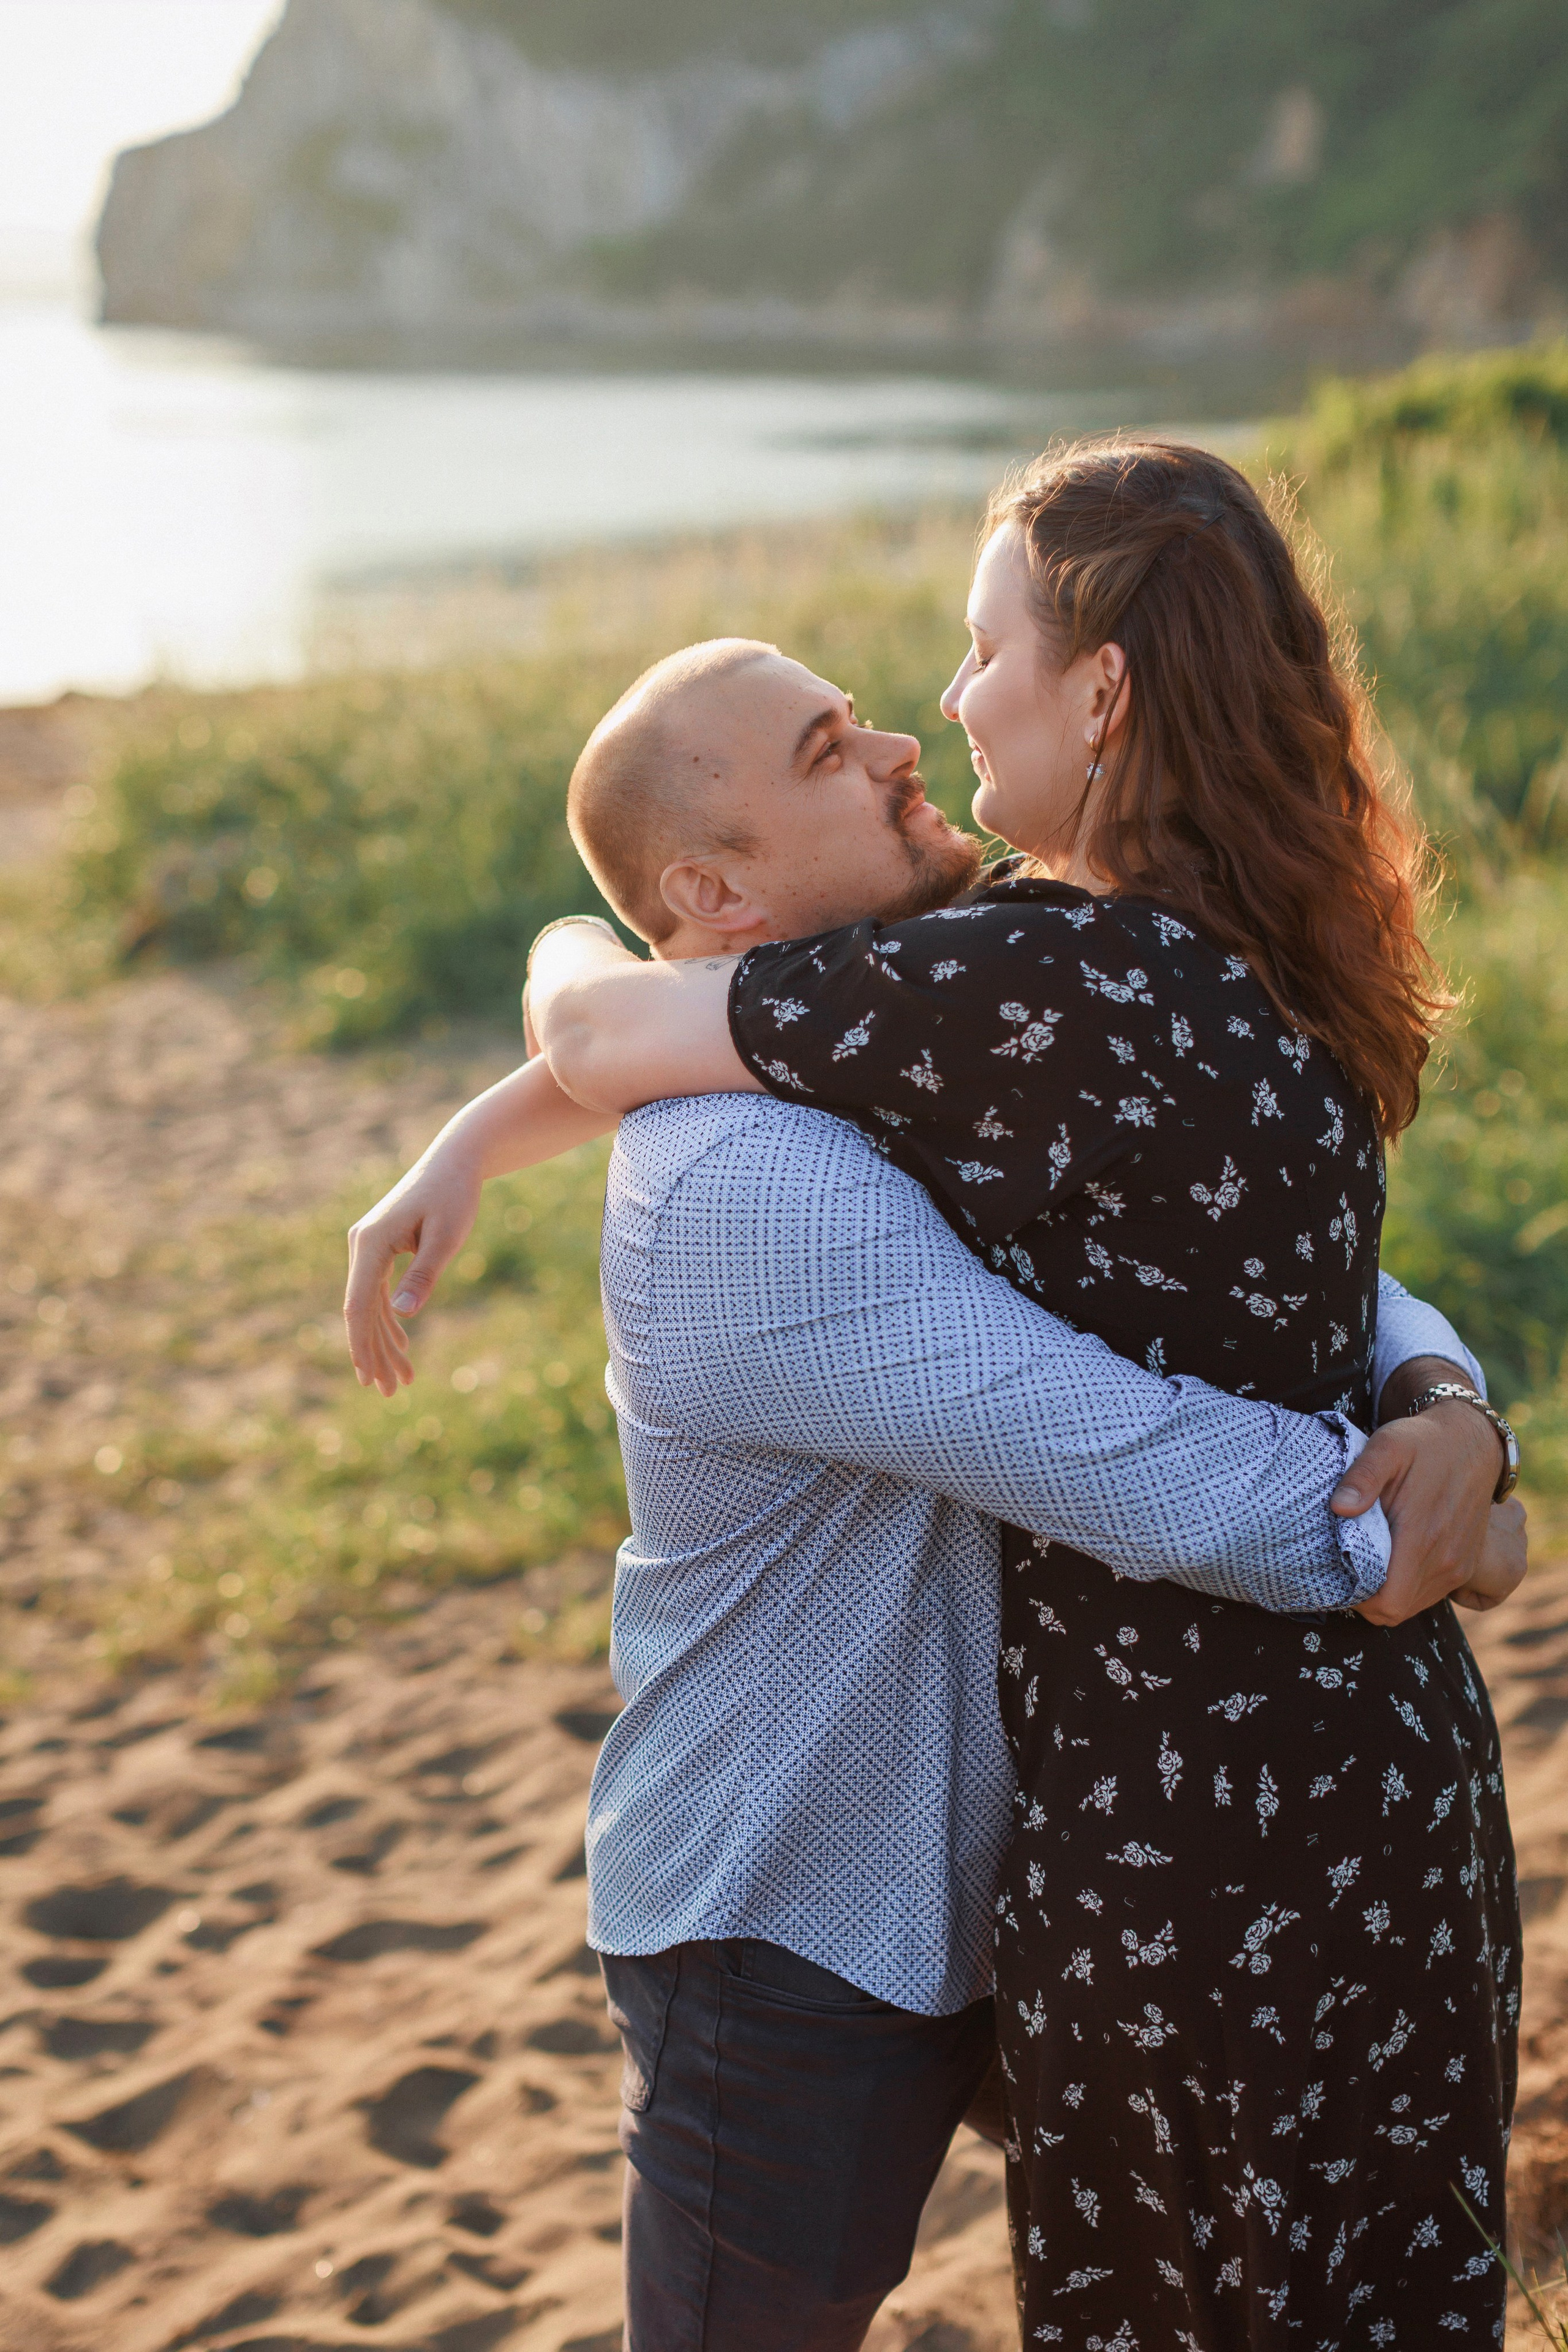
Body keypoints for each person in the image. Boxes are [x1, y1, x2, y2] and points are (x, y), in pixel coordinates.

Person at [344, 658, 1522, 2344]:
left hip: (1009, 1858)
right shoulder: (761, 1189)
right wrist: (1462, 1535)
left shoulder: (877, 1042)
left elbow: (1248, 1255)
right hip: (795, 1921)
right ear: (716, 890)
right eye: (832, 752)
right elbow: (1153, 1469)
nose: (903, 742)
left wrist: (1444, 1394)